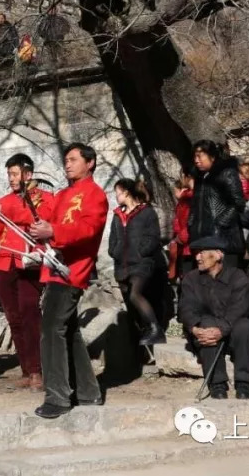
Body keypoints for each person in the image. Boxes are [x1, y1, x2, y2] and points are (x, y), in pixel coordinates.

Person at [28, 143, 109, 418]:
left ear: (91, 162)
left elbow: (88, 229)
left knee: (51, 329)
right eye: (66, 160)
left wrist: (54, 230)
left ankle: (58, 397)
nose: (68, 164)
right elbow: (49, 224)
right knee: (68, 331)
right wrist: (40, 231)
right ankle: (88, 392)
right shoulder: (63, 194)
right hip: (54, 266)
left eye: (74, 159)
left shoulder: (96, 195)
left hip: (72, 270)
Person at [0, 154, 54, 390]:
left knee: (30, 314)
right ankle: (26, 368)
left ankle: (37, 370)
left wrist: (3, 210)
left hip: (29, 263)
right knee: (14, 317)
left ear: (28, 174)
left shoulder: (45, 198)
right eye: (9, 174)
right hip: (4, 263)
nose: (11, 179)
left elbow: (37, 219)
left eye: (14, 174)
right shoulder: (4, 201)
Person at [177, 237, 249, 399]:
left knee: (246, 327)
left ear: (219, 255)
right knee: (205, 324)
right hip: (206, 331)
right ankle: (217, 383)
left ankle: (244, 382)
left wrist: (221, 329)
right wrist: (194, 328)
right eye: (197, 253)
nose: (197, 257)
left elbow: (239, 309)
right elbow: (186, 308)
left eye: (202, 253)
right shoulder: (191, 279)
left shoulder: (238, 277)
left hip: (232, 327)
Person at [108, 178, 166, 345]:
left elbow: (153, 237)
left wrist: (141, 252)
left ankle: (156, 329)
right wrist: (114, 251)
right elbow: (113, 238)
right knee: (130, 303)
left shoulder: (146, 212)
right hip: (122, 265)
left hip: (142, 264)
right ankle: (140, 336)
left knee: (135, 294)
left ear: (126, 192)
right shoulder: (118, 214)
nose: (116, 196)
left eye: (118, 192)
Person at [188, 140, 245, 267]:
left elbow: (238, 203)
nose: (196, 160)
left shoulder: (226, 173)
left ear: (212, 157)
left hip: (223, 238)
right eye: (195, 157)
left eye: (200, 156)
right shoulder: (200, 178)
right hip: (200, 238)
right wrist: (191, 222)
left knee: (225, 279)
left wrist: (220, 223)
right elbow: (195, 205)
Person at [168, 172, 194, 281]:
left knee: (189, 277)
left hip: (187, 243)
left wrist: (180, 238)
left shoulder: (187, 201)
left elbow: (188, 222)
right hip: (184, 244)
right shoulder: (182, 202)